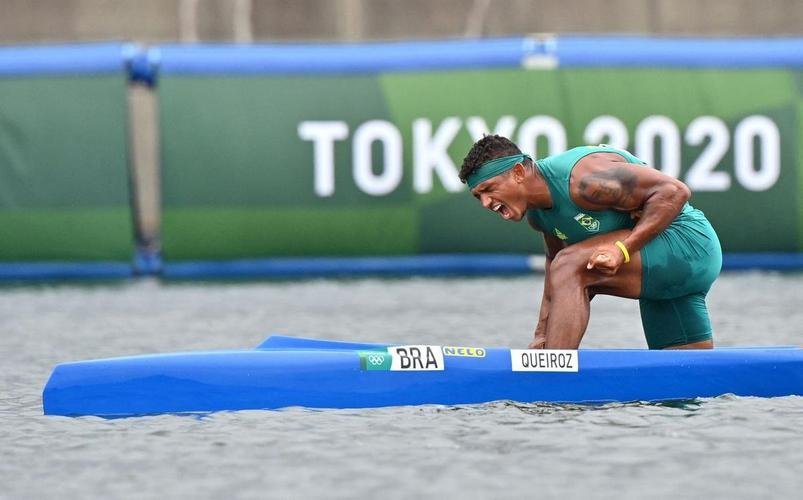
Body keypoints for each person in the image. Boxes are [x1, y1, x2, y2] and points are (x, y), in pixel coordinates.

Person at [459, 135, 722, 350]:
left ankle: (554, 383)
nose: (485, 203)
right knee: (682, 383)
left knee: (569, 265)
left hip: (687, 245)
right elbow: (556, 273)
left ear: (518, 172)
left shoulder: (584, 180)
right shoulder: (539, 217)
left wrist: (623, 250)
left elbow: (674, 191)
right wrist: (541, 334)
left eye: (489, 189)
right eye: (477, 196)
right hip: (665, 281)